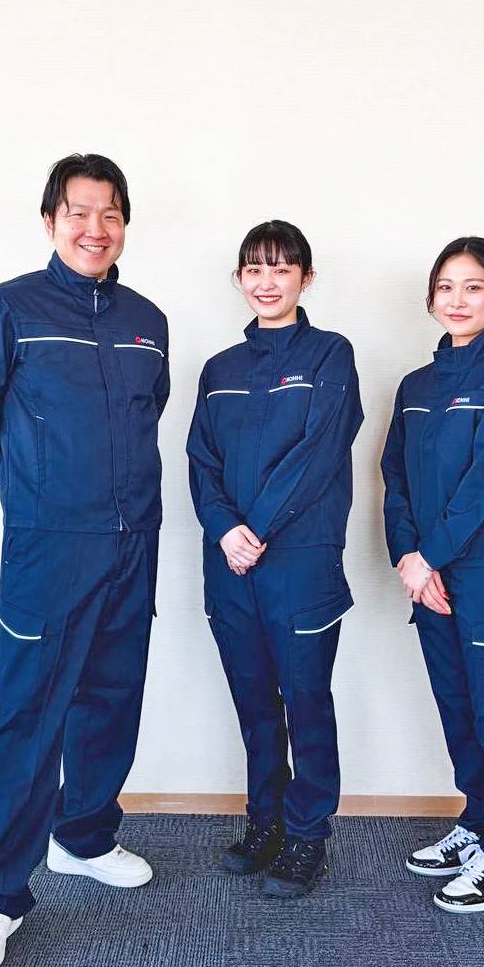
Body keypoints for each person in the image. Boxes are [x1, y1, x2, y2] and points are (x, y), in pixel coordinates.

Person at [0, 153, 169, 967]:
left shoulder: (148, 321)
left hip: (133, 539)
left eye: (109, 213)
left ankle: (83, 836)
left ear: (124, 224)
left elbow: (148, 414)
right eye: (78, 211)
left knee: (111, 696)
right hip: (49, 545)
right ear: (50, 221)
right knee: (28, 712)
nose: (94, 228)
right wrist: (36, 488)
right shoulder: (6, 310)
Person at [187, 221, 363, 898]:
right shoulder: (220, 370)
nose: (267, 282)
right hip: (230, 566)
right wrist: (224, 529)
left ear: (305, 279)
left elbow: (318, 454)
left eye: (282, 268)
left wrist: (252, 529)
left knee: (306, 700)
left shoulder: (329, 355)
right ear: (238, 279)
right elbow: (201, 461)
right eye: (255, 269)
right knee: (255, 703)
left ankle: (308, 833)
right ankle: (266, 822)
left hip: (300, 564)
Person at [381, 236, 484, 914]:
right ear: (431, 298)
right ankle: (478, 823)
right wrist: (406, 557)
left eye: (473, 286)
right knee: (457, 708)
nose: (457, 299)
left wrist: (429, 557)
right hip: (428, 576)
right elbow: (394, 477)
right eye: (445, 286)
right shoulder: (417, 387)